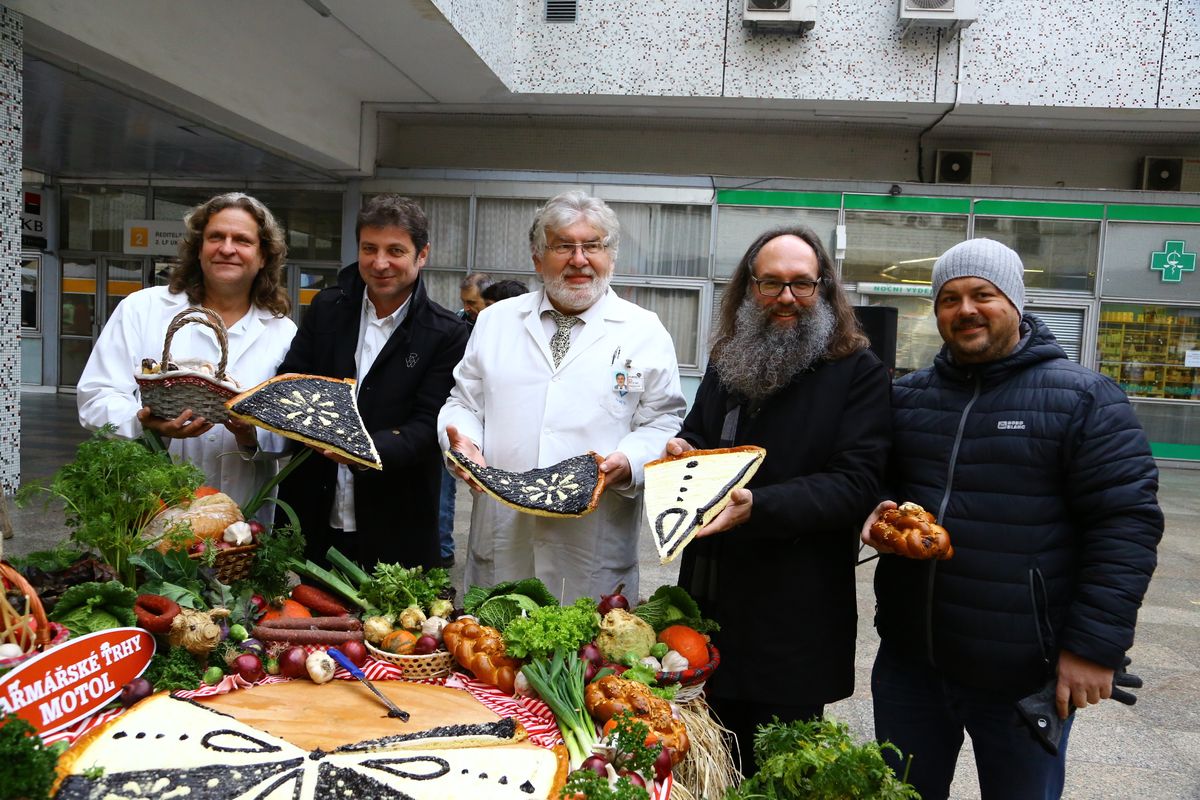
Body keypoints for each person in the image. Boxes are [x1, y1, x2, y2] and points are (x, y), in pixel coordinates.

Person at [861, 238, 1163, 800]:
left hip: (1023, 672)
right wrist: (875, 509)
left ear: (1016, 303)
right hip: (912, 663)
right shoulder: (907, 398)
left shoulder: (1084, 398)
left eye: (983, 294)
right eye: (949, 298)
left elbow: (1125, 524)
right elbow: (874, 483)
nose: (965, 309)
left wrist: (1094, 649)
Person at [663, 226, 891, 774]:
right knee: (707, 762)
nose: (786, 298)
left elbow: (857, 481)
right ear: (749, 289)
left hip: (794, 609)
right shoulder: (727, 358)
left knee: (775, 769)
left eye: (801, 285)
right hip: (712, 597)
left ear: (824, 289)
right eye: (771, 284)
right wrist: (683, 450)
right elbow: (699, 434)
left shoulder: (858, 371)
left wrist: (758, 506)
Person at [438, 190, 686, 602]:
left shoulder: (645, 331)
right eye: (563, 246)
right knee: (495, 655)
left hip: (592, 546)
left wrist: (629, 462)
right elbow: (463, 403)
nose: (579, 259)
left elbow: (663, 421)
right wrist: (462, 444)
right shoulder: (496, 322)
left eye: (593, 245)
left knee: (586, 662)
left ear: (611, 256)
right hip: (505, 537)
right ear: (538, 258)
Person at [277, 194, 469, 571]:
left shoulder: (444, 332)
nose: (380, 263)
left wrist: (361, 451)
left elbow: (429, 421)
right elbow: (292, 380)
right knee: (304, 621)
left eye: (395, 250)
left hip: (397, 518)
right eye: (369, 248)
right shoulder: (327, 309)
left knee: (390, 626)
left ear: (422, 254)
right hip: (315, 509)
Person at [77, 192, 296, 522]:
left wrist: (251, 434)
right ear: (198, 248)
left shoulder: (283, 333)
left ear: (263, 255)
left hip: (244, 522)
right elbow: (95, 397)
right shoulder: (142, 309)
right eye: (215, 237)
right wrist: (143, 421)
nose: (226, 248)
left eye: (242, 240)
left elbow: (292, 430)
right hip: (152, 512)